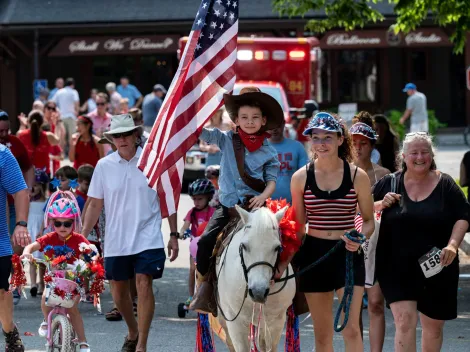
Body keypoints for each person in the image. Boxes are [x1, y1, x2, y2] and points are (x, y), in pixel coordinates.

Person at [81, 114, 179, 352]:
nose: (122, 139)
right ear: (111, 139)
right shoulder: (104, 166)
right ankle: (133, 330)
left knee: (143, 283)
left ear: (136, 135)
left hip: (148, 235)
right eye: (117, 135)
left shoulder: (153, 162)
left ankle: (141, 344)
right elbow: (94, 203)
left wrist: (174, 234)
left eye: (126, 134)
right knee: (117, 292)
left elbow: (169, 197)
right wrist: (82, 237)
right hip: (116, 239)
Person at [286, 112, 374, 351]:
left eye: (327, 137)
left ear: (340, 140)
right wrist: (284, 260)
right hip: (314, 254)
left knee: (351, 329)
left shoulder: (358, 176)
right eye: (316, 137)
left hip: (347, 254)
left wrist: (359, 239)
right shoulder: (300, 177)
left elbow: (368, 221)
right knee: (322, 336)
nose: (321, 143)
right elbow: (298, 226)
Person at [190, 86, 282, 315]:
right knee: (204, 244)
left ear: (264, 121)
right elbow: (202, 133)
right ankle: (206, 289)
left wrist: (263, 197)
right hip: (228, 208)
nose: (249, 122)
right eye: (244, 117)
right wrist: (195, 113)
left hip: (256, 206)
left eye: (254, 118)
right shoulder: (226, 140)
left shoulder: (269, 151)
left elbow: (271, 181)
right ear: (236, 120)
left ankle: (288, 294)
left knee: (285, 243)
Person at [374, 133, 468, 351]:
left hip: (438, 265)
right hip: (396, 266)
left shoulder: (446, 185)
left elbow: (463, 216)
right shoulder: (389, 183)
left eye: (424, 152)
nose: (419, 157)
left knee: (433, 328)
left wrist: (453, 245)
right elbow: (362, 211)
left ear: (431, 155)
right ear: (403, 156)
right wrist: (380, 204)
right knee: (404, 322)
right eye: (414, 152)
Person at [21, 196, 91, 352]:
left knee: (73, 309)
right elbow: (32, 246)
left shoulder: (78, 239)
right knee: (46, 298)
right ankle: (47, 321)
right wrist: (27, 253)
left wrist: (91, 258)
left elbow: (91, 251)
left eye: (67, 223)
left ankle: (83, 341)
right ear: (52, 223)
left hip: (73, 281)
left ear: (74, 222)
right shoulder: (50, 237)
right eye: (58, 223)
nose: (62, 227)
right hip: (54, 279)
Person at [349, 121, 389, 352]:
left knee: (375, 303)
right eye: (354, 143)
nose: (359, 147)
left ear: (372, 145)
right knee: (354, 307)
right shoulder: (341, 173)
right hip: (351, 243)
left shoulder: (384, 175)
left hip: (377, 245)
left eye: (363, 143)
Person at [0, 145, 30, 352]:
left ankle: (9, 331)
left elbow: (20, 190)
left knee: (1, 292)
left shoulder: (2, 154)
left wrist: (20, 223)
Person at [179, 179, 215, 309]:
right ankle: (191, 296)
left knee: (209, 271)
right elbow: (185, 225)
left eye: (200, 199)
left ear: (208, 197)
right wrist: (182, 232)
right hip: (195, 249)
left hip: (209, 248)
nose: (196, 202)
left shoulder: (212, 212)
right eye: (194, 199)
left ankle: (210, 294)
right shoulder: (192, 212)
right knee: (193, 270)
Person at [268, 120, 309, 203]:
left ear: (283, 124)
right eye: (271, 126)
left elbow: (306, 176)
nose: (274, 129)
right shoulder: (259, 149)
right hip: (265, 206)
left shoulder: (297, 147)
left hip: (293, 204)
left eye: (277, 125)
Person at [27, 168, 49, 298]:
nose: (34, 188)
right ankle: (33, 284)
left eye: (36, 185)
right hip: (30, 231)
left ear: (42, 186)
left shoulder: (46, 202)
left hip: (41, 232)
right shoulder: (27, 201)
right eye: (32, 186)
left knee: (41, 261)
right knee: (32, 260)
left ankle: (42, 283)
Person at [17, 110, 60, 174]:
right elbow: (57, 140)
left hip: (27, 175)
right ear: (43, 122)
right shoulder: (48, 136)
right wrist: (55, 125)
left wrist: (22, 125)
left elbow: (18, 138)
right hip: (43, 175)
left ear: (28, 121)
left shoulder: (21, 135)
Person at [52, 77, 80, 150]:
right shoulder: (74, 92)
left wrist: (58, 111)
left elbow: (53, 102)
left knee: (62, 136)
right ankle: (72, 152)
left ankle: (61, 153)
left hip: (61, 116)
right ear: (73, 84)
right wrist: (77, 112)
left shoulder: (59, 91)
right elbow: (76, 103)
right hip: (71, 116)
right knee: (72, 136)